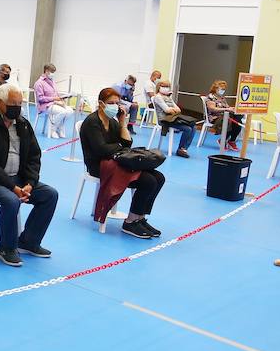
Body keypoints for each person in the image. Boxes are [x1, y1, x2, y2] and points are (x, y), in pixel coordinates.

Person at [0, 84, 59, 267]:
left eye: (20, 103)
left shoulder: (22, 124)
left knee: (49, 195)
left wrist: (30, 182)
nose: (17, 107)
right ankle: (5, 247)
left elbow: (33, 155)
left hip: (17, 178)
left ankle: (29, 242)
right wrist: (13, 187)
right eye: (12, 104)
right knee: (11, 200)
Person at [80, 88, 164, 239]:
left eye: (117, 103)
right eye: (110, 103)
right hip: (98, 166)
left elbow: (127, 144)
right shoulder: (92, 122)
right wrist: (118, 147)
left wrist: (123, 123)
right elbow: (101, 150)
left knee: (158, 177)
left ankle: (140, 217)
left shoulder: (112, 122)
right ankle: (130, 222)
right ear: (101, 104)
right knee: (148, 180)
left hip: (115, 161)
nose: (115, 106)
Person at [151, 79, 196, 158]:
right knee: (188, 129)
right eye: (164, 86)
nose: (166, 88)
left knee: (193, 127)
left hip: (173, 118)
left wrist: (173, 110)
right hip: (165, 120)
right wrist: (172, 110)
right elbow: (167, 110)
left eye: (168, 86)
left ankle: (183, 149)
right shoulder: (158, 97)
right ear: (159, 87)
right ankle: (180, 149)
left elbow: (178, 109)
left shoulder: (168, 97)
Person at [34, 64, 74, 138]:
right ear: (46, 71)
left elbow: (56, 94)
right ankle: (53, 130)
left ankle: (59, 127)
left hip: (55, 103)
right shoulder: (39, 83)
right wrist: (54, 100)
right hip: (45, 106)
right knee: (63, 111)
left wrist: (61, 99)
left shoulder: (52, 82)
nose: (53, 74)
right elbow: (40, 99)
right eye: (52, 72)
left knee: (70, 111)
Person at [205, 79, 244, 151]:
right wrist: (226, 109)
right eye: (221, 89)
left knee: (238, 120)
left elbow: (227, 107)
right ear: (216, 88)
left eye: (224, 89)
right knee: (230, 121)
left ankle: (232, 141)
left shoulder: (222, 98)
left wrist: (231, 108)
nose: (223, 91)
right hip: (215, 117)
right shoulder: (211, 97)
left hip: (226, 116)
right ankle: (223, 140)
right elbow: (212, 109)